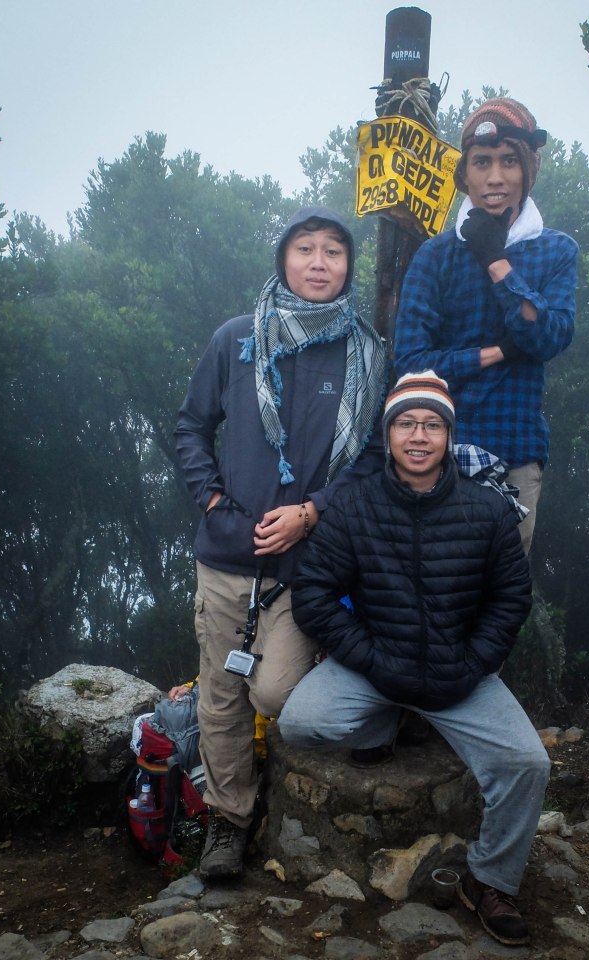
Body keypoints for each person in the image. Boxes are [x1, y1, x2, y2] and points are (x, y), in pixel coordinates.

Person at [278, 370, 550, 946]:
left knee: (528, 763)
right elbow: (314, 593)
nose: (419, 435)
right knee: (301, 723)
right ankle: (387, 716)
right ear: (390, 434)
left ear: (449, 435)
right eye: (406, 423)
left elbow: (511, 597)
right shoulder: (354, 505)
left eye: (432, 424)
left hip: (460, 672)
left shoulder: (488, 509)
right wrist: (369, 657)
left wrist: (475, 662)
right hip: (377, 665)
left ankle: (490, 881)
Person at [174, 206, 389, 879]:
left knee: (273, 695)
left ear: (349, 265)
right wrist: (211, 499)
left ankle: (314, 745)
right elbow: (189, 429)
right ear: (284, 260)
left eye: (333, 251)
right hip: (226, 557)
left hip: (305, 568)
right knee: (219, 694)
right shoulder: (237, 339)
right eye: (305, 249)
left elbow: (372, 459)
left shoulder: (365, 352)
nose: (320, 262)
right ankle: (229, 823)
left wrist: (313, 512)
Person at [393, 97, 578, 554]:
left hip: (516, 451)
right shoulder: (435, 255)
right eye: (482, 162)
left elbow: (549, 336)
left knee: (501, 600)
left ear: (528, 169)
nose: (495, 177)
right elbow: (411, 364)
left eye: (509, 161)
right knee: (430, 596)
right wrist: (497, 352)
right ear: (465, 174)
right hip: (436, 455)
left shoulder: (556, 251)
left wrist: (495, 259)